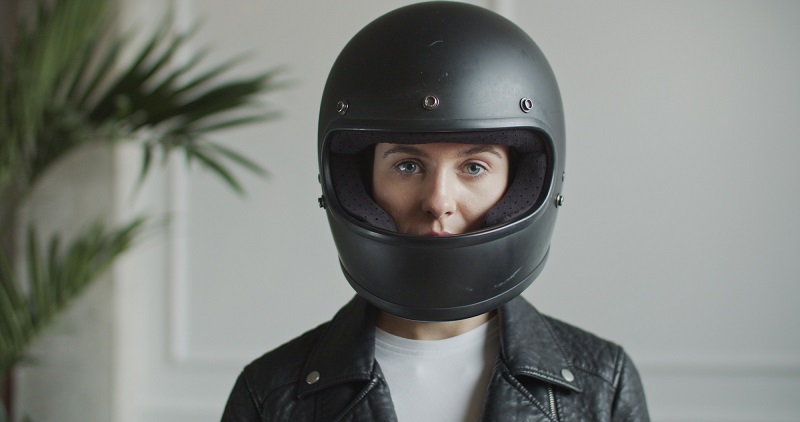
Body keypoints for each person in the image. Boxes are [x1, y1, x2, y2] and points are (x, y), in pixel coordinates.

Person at [222, 2, 649, 421]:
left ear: (525, 180)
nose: (438, 202)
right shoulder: (269, 394)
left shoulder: (602, 385)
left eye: (474, 167)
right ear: (357, 182)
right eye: (407, 166)